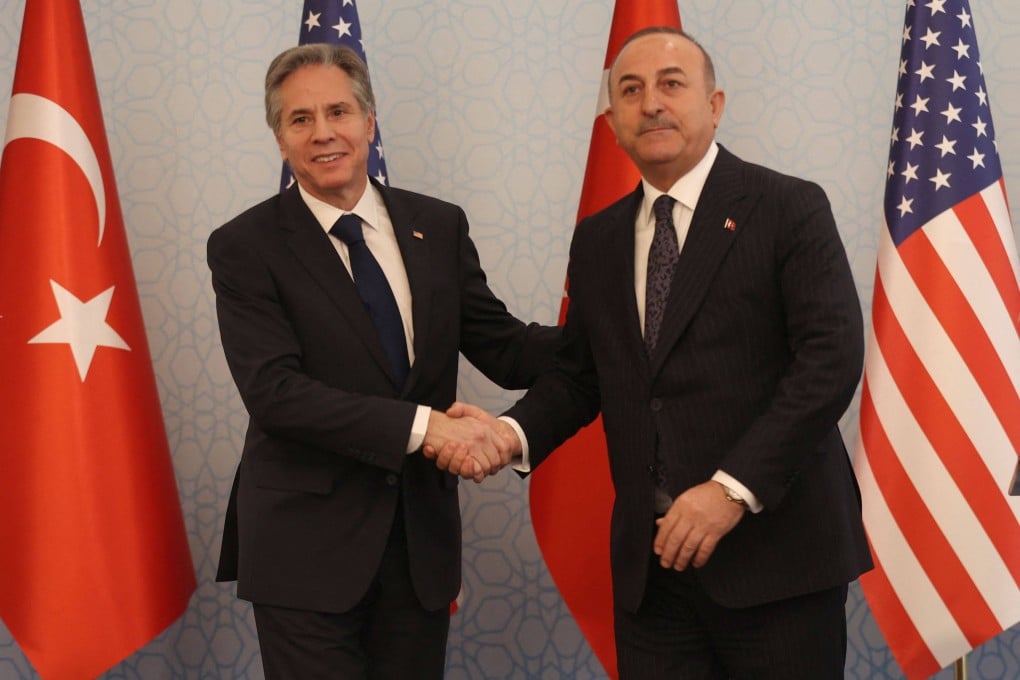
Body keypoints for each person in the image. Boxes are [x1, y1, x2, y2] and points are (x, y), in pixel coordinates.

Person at [434, 27, 872, 679]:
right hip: (654, 574)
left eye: (671, 84)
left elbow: (829, 361)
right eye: (631, 91)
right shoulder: (599, 239)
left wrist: (731, 490)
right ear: (613, 123)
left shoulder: (786, 206)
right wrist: (507, 434)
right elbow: (581, 375)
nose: (652, 104)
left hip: (776, 562)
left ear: (714, 105)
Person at [207, 43, 557, 679]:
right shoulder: (244, 246)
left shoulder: (438, 226)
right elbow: (276, 394)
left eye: (338, 112)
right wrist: (428, 429)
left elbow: (505, 349)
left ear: (369, 122)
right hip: (303, 550)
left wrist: (614, 332)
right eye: (300, 119)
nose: (323, 133)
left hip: (417, 546)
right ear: (280, 139)